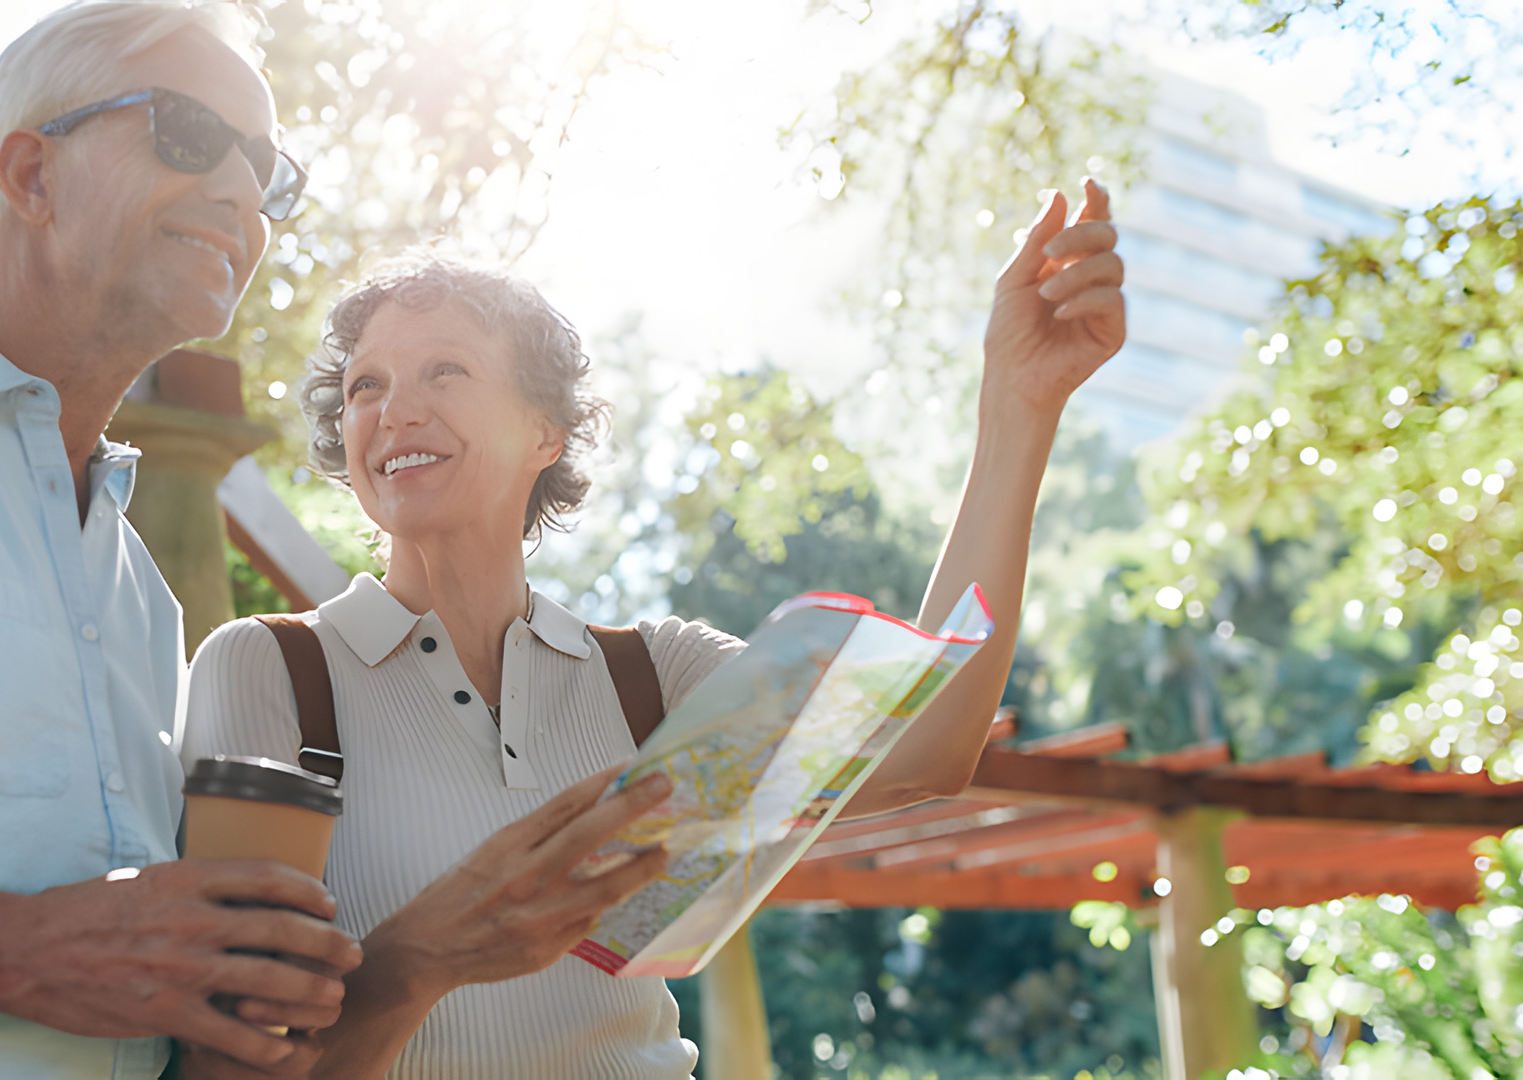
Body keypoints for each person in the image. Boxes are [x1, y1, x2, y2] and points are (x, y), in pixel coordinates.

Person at [0, 2, 673, 1077]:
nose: (245, 194)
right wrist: (15, 952)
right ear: (30, 173)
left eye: (270, 172)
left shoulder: (140, 592)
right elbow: (63, 955)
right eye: (191, 135)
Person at [181, 178, 1125, 1077]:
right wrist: (425, 958)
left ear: (546, 432)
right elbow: (233, 1064)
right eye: (363, 387)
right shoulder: (270, 671)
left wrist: (1018, 404)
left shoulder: (651, 682)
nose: (393, 410)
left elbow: (927, 743)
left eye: (446, 371)